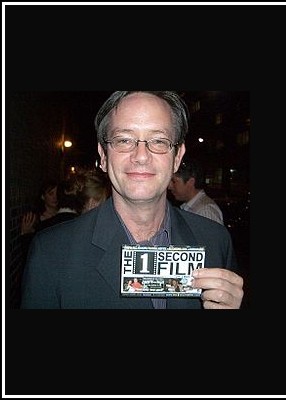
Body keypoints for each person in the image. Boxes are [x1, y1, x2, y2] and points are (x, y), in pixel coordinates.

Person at [21, 91, 243, 309]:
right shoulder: (51, 252)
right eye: (124, 140)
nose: (141, 156)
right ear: (103, 156)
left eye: (159, 141)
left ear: (177, 157)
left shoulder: (216, 241)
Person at [168, 160, 224, 225]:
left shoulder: (205, 211)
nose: (169, 186)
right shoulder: (191, 207)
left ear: (191, 182)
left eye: (174, 181)